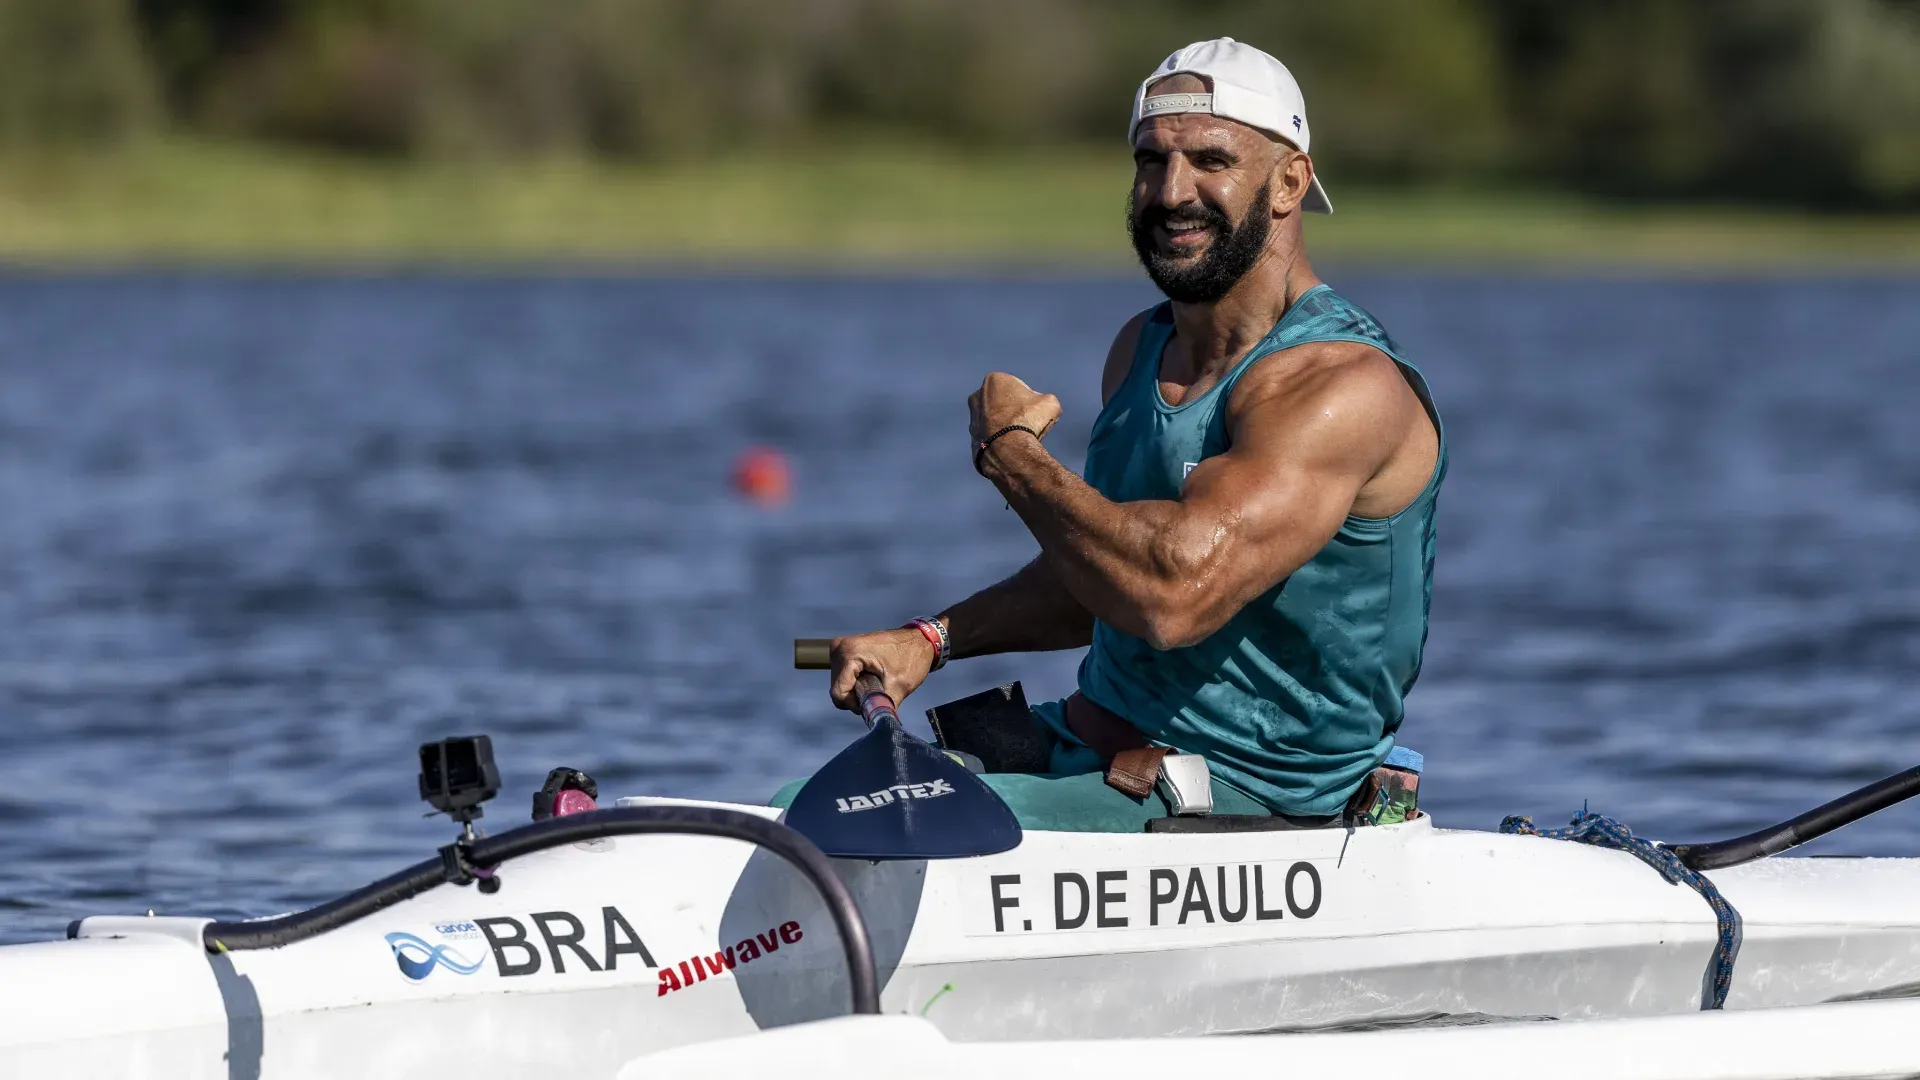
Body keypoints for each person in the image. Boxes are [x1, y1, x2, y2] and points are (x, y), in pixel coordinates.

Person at [794, 38, 1445, 831]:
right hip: (1089, 747)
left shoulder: (1341, 388)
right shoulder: (1143, 348)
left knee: (835, 832)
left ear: (1289, 182)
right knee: (793, 809)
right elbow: (1101, 573)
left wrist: (1013, 459)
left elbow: (1169, 596)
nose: (1172, 192)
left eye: (1210, 160)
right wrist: (930, 639)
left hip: (1249, 803)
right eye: (1150, 160)